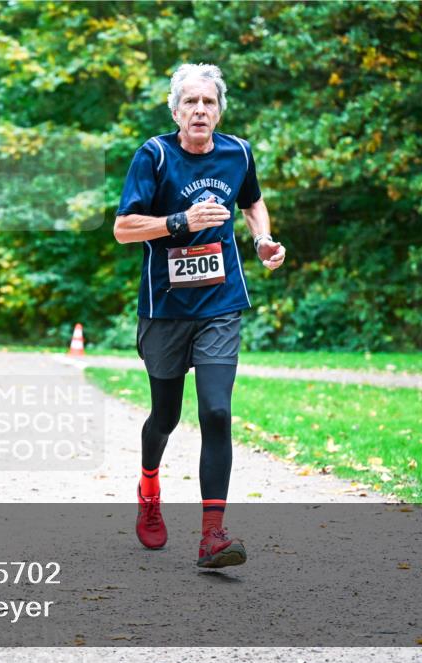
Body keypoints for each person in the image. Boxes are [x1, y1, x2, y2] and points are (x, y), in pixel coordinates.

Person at [113, 63, 286, 568]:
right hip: (165, 309)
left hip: (220, 304)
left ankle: (213, 536)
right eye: (190, 102)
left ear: (219, 111)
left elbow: (252, 202)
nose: (200, 111)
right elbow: (123, 229)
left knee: (215, 411)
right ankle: (149, 489)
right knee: (165, 416)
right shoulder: (155, 155)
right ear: (175, 110)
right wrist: (178, 221)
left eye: (208, 103)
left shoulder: (238, 153)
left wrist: (262, 240)